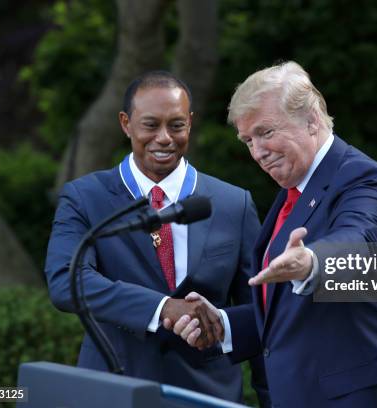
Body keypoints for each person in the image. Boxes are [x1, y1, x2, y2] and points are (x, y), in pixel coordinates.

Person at [168, 61, 377, 407]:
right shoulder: (292, 194)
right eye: (248, 140)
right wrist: (224, 325)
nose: (257, 152)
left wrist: (312, 262)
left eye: (266, 132)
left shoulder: (361, 177)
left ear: (312, 120)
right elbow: (291, 313)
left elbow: (361, 239)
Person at [44, 71, 269, 406]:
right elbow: (67, 281)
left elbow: (261, 310)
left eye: (176, 125)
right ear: (126, 123)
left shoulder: (234, 203)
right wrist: (163, 307)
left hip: (206, 394)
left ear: (190, 123)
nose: (164, 138)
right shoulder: (85, 197)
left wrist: (271, 399)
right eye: (150, 125)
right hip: (113, 389)